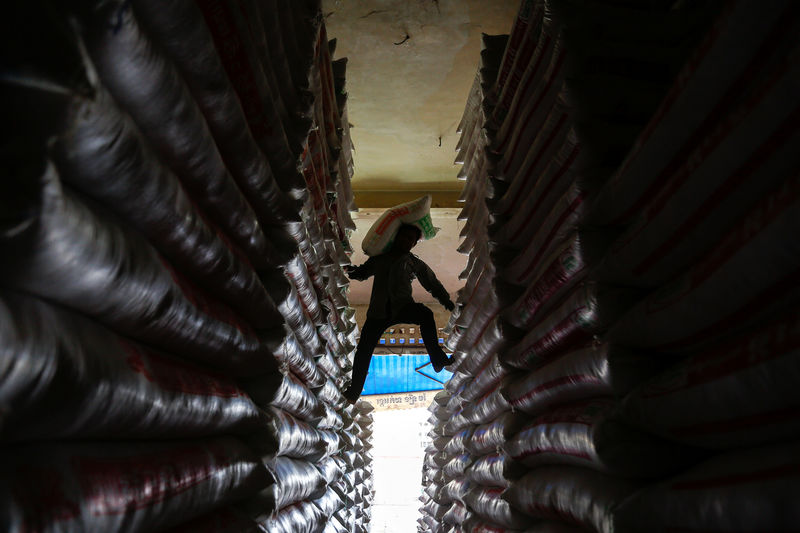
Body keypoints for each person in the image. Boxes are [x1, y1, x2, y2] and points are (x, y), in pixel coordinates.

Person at [343, 224, 455, 403]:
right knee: (364, 350)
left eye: (410, 239)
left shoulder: (413, 262)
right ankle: (354, 392)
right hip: (377, 313)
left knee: (425, 314)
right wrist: (351, 271)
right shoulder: (380, 259)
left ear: (413, 244)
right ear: (396, 238)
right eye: (403, 237)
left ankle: (438, 360)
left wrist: (446, 301)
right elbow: (363, 272)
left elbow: (431, 282)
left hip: (402, 307)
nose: (405, 241)